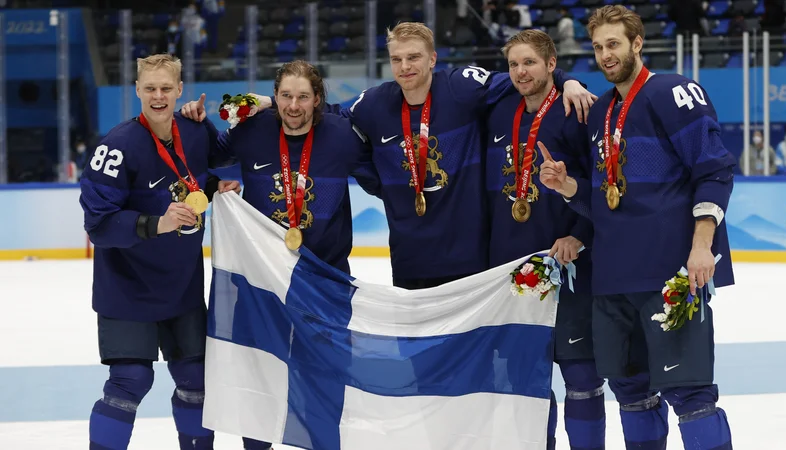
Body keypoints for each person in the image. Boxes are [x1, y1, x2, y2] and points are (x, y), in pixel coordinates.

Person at [190, 22, 596, 292]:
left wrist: (568, 79)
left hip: (473, 259)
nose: (405, 66)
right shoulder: (374, 104)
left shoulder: (463, 87)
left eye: (414, 57)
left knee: (475, 371)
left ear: (432, 59)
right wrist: (267, 102)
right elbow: (323, 116)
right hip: (410, 261)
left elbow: (524, 73)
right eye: (398, 58)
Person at [539, 6, 735, 450]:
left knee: (689, 393)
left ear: (637, 43)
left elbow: (715, 171)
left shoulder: (674, 93)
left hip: (669, 274)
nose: (606, 55)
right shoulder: (600, 111)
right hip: (611, 281)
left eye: (614, 44)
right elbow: (606, 197)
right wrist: (567, 185)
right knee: (631, 392)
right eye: (598, 47)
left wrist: (702, 246)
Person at [183, 60, 381, 450]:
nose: (294, 106)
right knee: (260, 380)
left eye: (303, 97)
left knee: (324, 381)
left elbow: (383, 175)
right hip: (263, 283)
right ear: (274, 99)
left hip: (326, 283)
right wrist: (197, 122)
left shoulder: (343, 136)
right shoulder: (252, 130)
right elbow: (208, 158)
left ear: (318, 99)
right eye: (286, 96)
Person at [79, 53, 240, 450]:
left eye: (166, 88)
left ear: (179, 90)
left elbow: (223, 164)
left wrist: (222, 182)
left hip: (182, 288)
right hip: (127, 290)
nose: (158, 96)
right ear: (136, 90)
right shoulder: (116, 147)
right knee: (129, 382)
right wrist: (157, 224)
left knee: (196, 383)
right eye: (149, 88)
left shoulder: (196, 131)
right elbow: (98, 225)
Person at [487, 28, 604, 450]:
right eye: (514, 64)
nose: (521, 72)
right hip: (513, 274)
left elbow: (601, 186)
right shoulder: (499, 112)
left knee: (583, 381)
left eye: (530, 62)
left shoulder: (579, 112)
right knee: (526, 386)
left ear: (552, 65)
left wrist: (579, 236)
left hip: (569, 268)